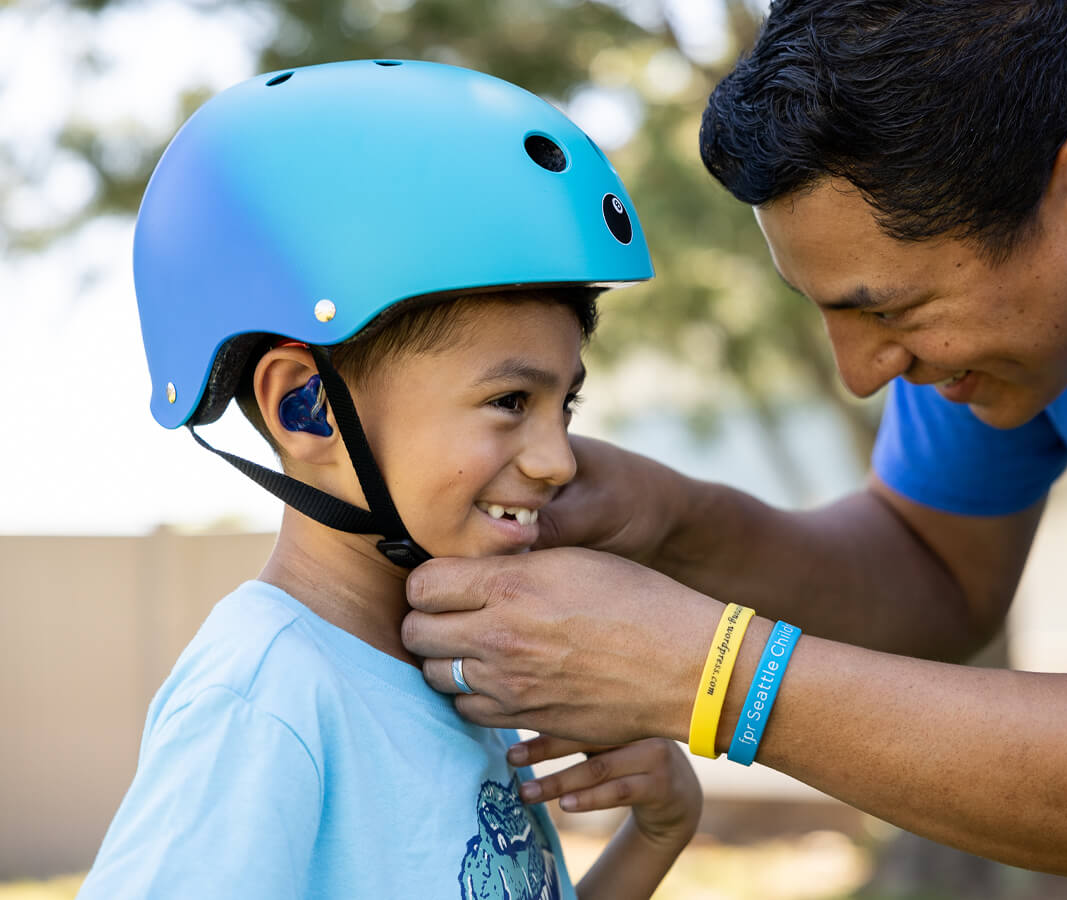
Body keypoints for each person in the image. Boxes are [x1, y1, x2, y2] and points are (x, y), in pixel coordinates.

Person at [398, 1, 1067, 898]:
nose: (862, 374)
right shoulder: (1004, 120)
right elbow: (932, 575)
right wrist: (671, 523)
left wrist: (708, 674)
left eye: (887, 310)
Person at [78, 60, 700, 900]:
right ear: (307, 410)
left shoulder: (455, 671)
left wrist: (658, 833)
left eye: (566, 404)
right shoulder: (268, 698)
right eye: (510, 401)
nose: (560, 461)